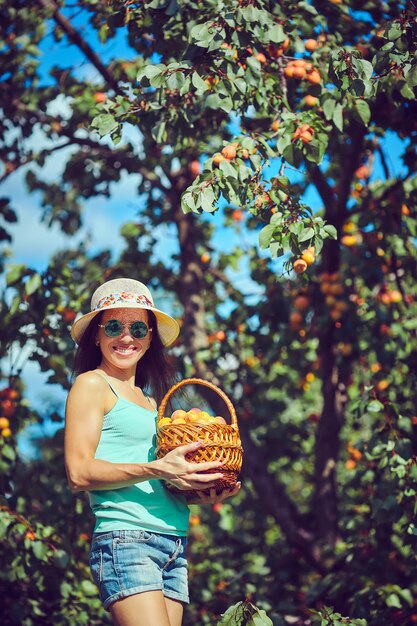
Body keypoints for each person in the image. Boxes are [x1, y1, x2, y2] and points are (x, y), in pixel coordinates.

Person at [64, 277, 240, 626]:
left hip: (173, 541)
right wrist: (159, 469)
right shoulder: (92, 384)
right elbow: (78, 473)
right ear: (96, 335)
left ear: (150, 338)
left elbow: (154, 479)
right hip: (127, 539)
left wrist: (199, 489)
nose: (126, 337)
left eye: (138, 328)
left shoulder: (149, 402)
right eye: (114, 325)